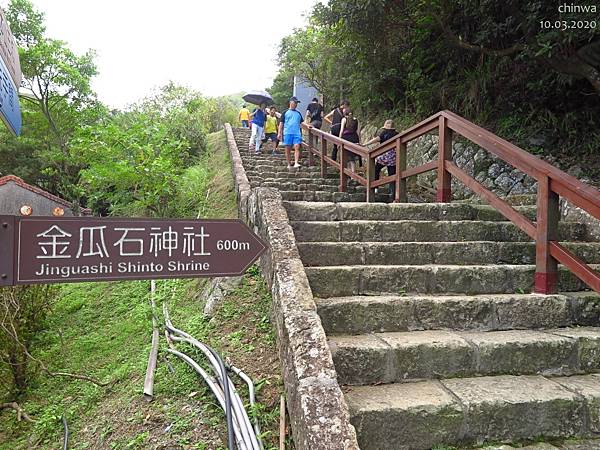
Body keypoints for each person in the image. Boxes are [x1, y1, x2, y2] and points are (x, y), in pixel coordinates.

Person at [364, 119, 399, 195]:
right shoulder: (397, 134)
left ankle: (375, 187)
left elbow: (376, 139)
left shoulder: (384, 133)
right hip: (392, 157)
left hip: (383, 155)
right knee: (392, 174)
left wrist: (365, 144)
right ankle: (392, 193)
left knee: (376, 169)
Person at [278, 96, 305, 169]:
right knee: (288, 149)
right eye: (295, 102)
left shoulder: (298, 113)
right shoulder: (285, 112)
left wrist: (309, 126)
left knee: (297, 146)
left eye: (297, 103)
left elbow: (302, 123)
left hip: (297, 132)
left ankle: (296, 162)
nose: (296, 104)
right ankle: (289, 164)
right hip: (287, 133)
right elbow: (281, 123)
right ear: (290, 102)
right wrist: (279, 133)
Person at [338, 107, 361, 172]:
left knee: (346, 157)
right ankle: (353, 175)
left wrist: (339, 140)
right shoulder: (356, 120)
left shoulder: (344, 119)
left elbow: (341, 131)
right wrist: (359, 141)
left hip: (346, 138)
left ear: (345, 113)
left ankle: (348, 173)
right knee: (352, 158)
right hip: (354, 138)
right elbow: (358, 132)